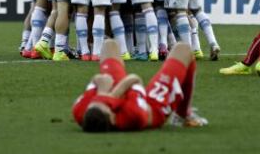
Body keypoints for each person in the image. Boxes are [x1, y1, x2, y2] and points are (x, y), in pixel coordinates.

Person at [73, 39, 208, 132]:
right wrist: (112, 94)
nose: (106, 101)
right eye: (108, 104)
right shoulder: (132, 116)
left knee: (109, 45)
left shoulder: (80, 111)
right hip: (152, 105)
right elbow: (134, 80)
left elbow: (98, 80)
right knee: (183, 49)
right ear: (113, 118)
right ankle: (182, 115)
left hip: (115, 91)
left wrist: (103, 92)